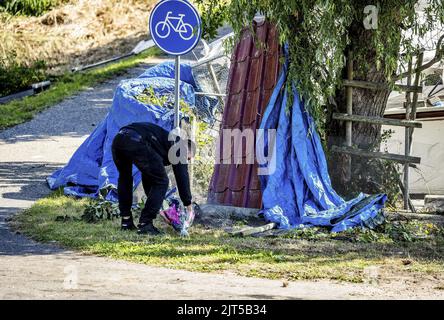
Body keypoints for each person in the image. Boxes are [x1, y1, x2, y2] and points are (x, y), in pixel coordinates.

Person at [111, 122, 195, 235]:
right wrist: (188, 205)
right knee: (162, 181)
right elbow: (182, 177)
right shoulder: (180, 146)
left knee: (125, 178)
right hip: (137, 140)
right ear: (187, 150)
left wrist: (161, 207)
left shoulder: (164, 144)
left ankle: (126, 221)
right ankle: (145, 224)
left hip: (119, 139)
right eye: (188, 159)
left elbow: (149, 179)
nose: (186, 161)